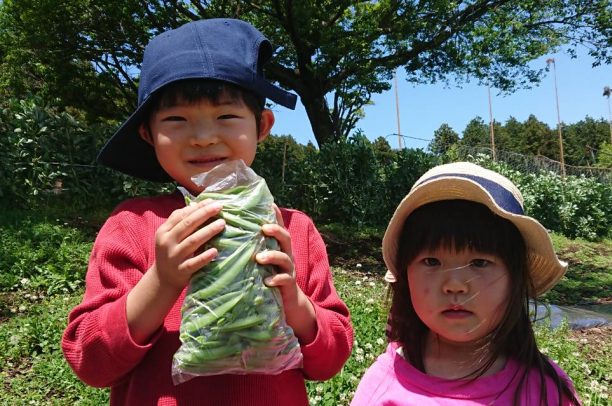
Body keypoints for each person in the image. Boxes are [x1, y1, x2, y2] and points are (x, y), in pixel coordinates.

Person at [62, 19, 353, 405]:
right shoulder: (132, 226)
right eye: (176, 120)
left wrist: (295, 303)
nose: (202, 137)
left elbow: (331, 359)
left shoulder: (294, 230)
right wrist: (162, 280)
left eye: (226, 117)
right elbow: (91, 362)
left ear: (262, 125)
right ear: (148, 133)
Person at [351, 162, 580, 405]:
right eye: (431, 261)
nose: (454, 285)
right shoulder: (383, 384)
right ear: (406, 277)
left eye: (479, 263)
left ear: (515, 279)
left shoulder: (546, 391)